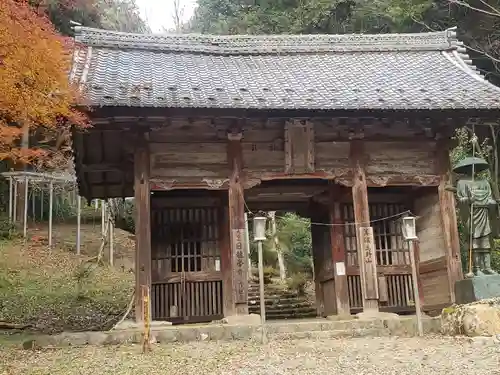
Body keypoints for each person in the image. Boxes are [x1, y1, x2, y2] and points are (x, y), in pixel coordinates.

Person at [454, 156, 498, 278]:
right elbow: (460, 199)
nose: (473, 170)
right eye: (470, 168)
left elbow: (489, 197)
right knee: (474, 241)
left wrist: (491, 202)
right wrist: (468, 199)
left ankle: (487, 267)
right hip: (471, 214)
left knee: (486, 241)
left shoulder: (484, 182)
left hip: (484, 213)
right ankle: (476, 268)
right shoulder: (462, 183)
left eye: (475, 168)